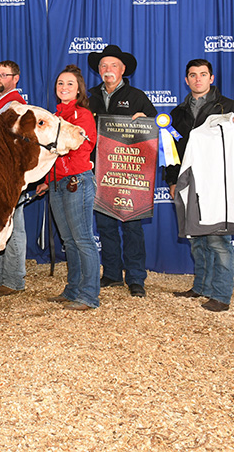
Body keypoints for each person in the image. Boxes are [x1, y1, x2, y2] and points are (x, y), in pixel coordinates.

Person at [165, 59, 234, 312]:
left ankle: (222, 294)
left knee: (218, 239)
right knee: (196, 238)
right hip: (188, 180)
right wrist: (172, 180)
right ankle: (202, 286)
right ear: (186, 80)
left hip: (218, 182)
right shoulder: (177, 113)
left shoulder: (227, 106)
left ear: (211, 78)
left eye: (203, 74)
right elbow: (171, 151)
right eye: (193, 75)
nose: (198, 79)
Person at [87, 44, 157, 298]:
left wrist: (146, 120)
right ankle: (113, 274)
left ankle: (136, 277)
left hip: (129, 172)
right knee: (105, 225)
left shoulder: (137, 96)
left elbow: (154, 128)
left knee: (132, 227)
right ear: (98, 70)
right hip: (100, 171)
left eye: (113, 65)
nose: (108, 69)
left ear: (123, 69)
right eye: (103, 65)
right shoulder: (90, 95)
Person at [35, 66, 99, 310]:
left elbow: (83, 147)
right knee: (69, 241)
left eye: (70, 84)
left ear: (79, 89)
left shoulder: (83, 115)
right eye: (60, 83)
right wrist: (46, 180)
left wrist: (57, 153)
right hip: (57, 182)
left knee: (83, 239)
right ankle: (73, 290)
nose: (64, 88)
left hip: (76, 181)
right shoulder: (53, 116)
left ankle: (89, 295)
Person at [0, 60, 28, 297]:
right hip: (2, 172)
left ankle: (14, 279)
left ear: (16, 78)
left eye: (4, 75)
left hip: (11, 173)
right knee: (3, 224)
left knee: (14, 225)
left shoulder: (15, 104)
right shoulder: (2, 103)